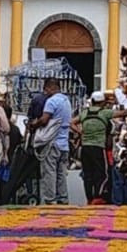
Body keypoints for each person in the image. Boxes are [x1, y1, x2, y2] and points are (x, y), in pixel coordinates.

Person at [34, 76, 72, 204]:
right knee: (61, 173)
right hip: (64, 143)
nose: (45, 92)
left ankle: (50, 199)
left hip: (52, 142)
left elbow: (44, 120)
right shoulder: (66, 100)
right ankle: (63, 198)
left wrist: (35, 123)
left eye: (46, 89)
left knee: (49, 172)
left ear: (50, 87)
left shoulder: (51, 101)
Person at [75, 91, 116, 202]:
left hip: (85, 148)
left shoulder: (84, 113)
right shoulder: (104, 113)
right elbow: (123, 113)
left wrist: (80, 132)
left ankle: (89, 197)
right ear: (102, 102)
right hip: (98, 147)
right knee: (102, 173)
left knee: (88, 174)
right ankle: (98, 196)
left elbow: (71, 122)